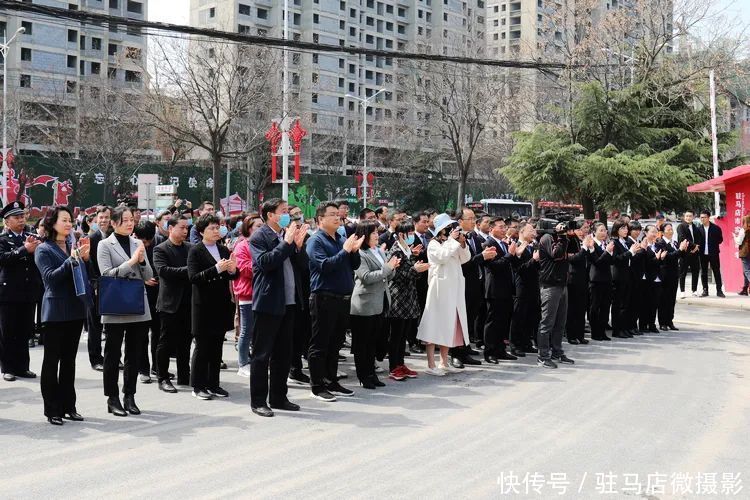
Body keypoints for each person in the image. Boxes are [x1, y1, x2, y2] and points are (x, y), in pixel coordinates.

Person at [249, 199, 308, 416]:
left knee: (284, 354)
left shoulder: (285, 235)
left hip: (289, 302)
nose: (288, 216)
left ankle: (279, 397)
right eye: (283, 212)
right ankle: (258, 401)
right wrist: (287, 243)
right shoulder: (259, 237)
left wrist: (298, 247)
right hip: (268, 303)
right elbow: (265, 263)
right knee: (262, 354)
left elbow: (302, 265)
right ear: (270, 215)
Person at [34, 206, 91, 425]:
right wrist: (71, 260)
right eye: (65, 220)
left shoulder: (71, 245)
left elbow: (83, 276)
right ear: (52, 223)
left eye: (70, 220)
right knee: (51, 361)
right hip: (55, 311)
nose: (69, 224)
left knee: (69, 361)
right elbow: (50, 279)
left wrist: (84, 260)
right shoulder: (44, 249)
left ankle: (69, 406)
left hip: (75, 310)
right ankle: (52, 409)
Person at [98, 205, 154, 416]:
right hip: (115, 304)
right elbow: (106, 274)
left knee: (134, 353)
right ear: (114, 223)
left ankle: (129, 395)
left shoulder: (138, 242)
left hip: (137, 303)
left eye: (132, 220)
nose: (130, 223)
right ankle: (112, 398)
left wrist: (141, 261)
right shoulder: (105, 244)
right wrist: (131, 262)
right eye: (125, 220)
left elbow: (148, 274)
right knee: (112, 354)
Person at [307, 202, 363, 401]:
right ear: (320, 219)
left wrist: (354, 251)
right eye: (331, 214)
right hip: (324, 297)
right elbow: (325, 266)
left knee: (335, 343)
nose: (337, 217)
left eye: (337, 214)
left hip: (343, 298)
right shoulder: (316, 241)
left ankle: (331, 380)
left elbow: (354, 265)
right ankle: (317, 385)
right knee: (320, 343)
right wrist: (345, 251)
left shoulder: (340, 238)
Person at [187, 214, 237, 401]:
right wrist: (216, 269)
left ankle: (213, 383)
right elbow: (193, 277)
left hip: (220, 303)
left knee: (217, 346)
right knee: (202, 346)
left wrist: (232, 270)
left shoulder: (223, 249)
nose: (216, 231)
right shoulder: (196, 251)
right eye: (212, 228)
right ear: (201, 232)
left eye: (218, 228)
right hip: (203, 304)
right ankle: (198, 385)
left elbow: (230, 275)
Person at [417, 213, 471, 376]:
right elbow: (441, 257)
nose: (452, 230)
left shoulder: (450, 243)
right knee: (434, 324)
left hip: (453, 289)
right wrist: (452, 241)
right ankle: (431, 364)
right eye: (448, 228)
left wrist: (462, 244)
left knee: (449, 324)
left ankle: (444, 361)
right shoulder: (434, 244)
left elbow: (465, 258)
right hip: (439, 289)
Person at [350, 221, 399, 389]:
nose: (377, 236)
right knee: (362, 344)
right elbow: (366, 277)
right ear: (364, 235)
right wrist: (387, 269)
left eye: (377, 232)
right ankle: (363, 376)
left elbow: (387, 276)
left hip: (380, 301)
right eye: (373, 233)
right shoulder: (360, 253)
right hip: (364, 303)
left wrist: (392, 269)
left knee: (373, 342)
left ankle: (372, 374)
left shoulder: (378, 251)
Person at [0, 201, 42, 382]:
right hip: (9, 293)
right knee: (8, 331)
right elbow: (3, 259)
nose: (21, 220)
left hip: (28, 291)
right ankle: (7, 367)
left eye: (22, 216)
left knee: (25, 330)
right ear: (6, 222)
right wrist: (24, 249)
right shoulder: (2, 239)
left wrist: (34, 249)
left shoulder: (32, 237)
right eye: (16, 218)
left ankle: (22, 367)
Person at [152, 214, 193, 393]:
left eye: (187, 228)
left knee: (185, 342)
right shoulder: (160, 249)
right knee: (166, 342)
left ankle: (185, 374)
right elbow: (164, 271)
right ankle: (163, 377)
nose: (185, 231)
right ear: (171, 228)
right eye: (181, 227)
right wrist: (189, 270)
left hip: (189, 301)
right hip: (169, 303)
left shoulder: (191, 248)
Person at [385, 221, 428, 381]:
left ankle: (401, 363)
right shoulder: (396, 250)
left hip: (407, 297)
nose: (412, 237)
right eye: (409, 234)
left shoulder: (406, 250)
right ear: (401, 235)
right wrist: (414, 270)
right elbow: (396, 275)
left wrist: (414, 267)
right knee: (396, 334)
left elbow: (409, 272)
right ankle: (393, 366)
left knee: (403, 334)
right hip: (398, 297)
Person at [449, 207, 487, 368]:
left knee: (470, 317)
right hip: (460, 283)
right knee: (458, 320)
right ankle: (455, 354)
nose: (473, 221)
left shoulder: (475, 238)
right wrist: (481, 257)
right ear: (460, 221)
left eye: (474, 218)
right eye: (470, 218)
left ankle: (465, 349)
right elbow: (462, 263)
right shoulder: (453, 239)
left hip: (474, 283)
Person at [537, 222, 578, 368]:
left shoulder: (561, 238)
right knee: (547, 322)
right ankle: (543, 355)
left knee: (560, 322)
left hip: (562, 284)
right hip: (550, 285)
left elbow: (575, 250)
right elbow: (557, 254)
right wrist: (561, 237)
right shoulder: (547, 237)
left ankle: (557, 351)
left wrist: (571, 236)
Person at [481, 218, 517, 362]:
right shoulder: (489, 243)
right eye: (500, 227)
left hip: (506, 288)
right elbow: (494, 266)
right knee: (493, 322)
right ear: (492, 229)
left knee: (503, 321)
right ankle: (490, 351)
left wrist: (512, 253)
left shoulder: (503, 243)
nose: (504, 229)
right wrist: (509, 254)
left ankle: (500, 349)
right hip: (495, 289)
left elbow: (510, 264)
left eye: (504, 227)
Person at [231, 215, 261, 379]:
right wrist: (264, 264)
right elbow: (244, 269)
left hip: (262, 293)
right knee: (246, 330)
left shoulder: (262, 243)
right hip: (247, 292)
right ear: (249, 229)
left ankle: (255, 360)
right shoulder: (242, 245)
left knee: (259, 330)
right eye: (257, 226)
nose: (261, 228)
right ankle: (243, 363)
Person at [133, 220, 160, 384]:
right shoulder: (130, 247)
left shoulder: (159, 245)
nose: (145, 244)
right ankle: (143, 369)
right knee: (141, 336)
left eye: (148, 241)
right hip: (138, 295)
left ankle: (157, 367)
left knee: (157, 334)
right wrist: (143, 281)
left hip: (157, 296)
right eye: (142, 241)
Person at [509, 222, 541, 356]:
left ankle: (526, 342)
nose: (533, 232)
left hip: (533, 286)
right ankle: (515, 344)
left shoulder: (532, 245)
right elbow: (519, 269)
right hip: (521, 286)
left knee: (531, 316)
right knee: (519, 316)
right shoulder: (516, 245)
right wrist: (533, 260)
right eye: (530, 230)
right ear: (521, 232)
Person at [86, 205, 111, 372]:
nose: (103, 221)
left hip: (112, 287)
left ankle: (112, 358)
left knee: (111, 326)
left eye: (107, 217)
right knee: (95, 326)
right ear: (96, 219)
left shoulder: (114, 236)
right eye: (101, 217)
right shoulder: (91, 238)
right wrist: (95, 283)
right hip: (95, 287)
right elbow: (88, 264)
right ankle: (95, 358)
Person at [610, 220, 642, 339]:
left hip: (627, 275)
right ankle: (617, 329)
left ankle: (624, 328)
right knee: (618, 304)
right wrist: (630, 252)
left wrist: (633, 252)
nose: (625, 231)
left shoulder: (625, 242)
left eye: (626, 228)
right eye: (622, 228)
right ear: (616, 230)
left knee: (625, 304)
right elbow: (616, 259)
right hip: (618, 276)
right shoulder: (614, 242)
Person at [409, 211, 432, 353]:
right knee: (414, 313)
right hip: (415, 280)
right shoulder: (411, 239)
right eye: (423, 222)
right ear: (415, 223)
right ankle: (412, 341)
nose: (426, 224)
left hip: (428, 280)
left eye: (427, 221)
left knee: (424, 311)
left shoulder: (429, 237)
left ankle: (423, 339)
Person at [658, 223, 688, 330]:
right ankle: (662, 322)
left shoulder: (674, 243)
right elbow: (668, 258)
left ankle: (670, 320)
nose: (671, 231)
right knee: (664, 299)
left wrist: (684, 249)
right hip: (665, 274)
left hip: (674, 274)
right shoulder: (661, 243)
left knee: (671, 299)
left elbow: (680, 256)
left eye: (671, 229)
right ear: (662, 232)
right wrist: (679, 250)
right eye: (668, 229)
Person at [588, 222, 615, 341]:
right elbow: (597, 262)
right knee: (595, 307)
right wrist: (607, 252)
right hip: (596, 280)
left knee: (605, 306)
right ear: (594, 232)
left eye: (605, 230)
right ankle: (595, 332)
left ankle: (602, 331)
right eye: (601, 230)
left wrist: (610, 252)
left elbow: (612, 261)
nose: (604, 233)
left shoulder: (606, 244)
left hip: (607, 279)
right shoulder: (591, 244)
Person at [566, 222, 591, 345]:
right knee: (572, 309)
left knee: (582, 308)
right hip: (573, 278)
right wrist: (585, 248)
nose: (583, 231)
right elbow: (572, 259)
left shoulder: (586, 240)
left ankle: (580, 335)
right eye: (580, 229)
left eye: (586, 229)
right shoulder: (571, 241)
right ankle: (571, 335)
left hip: (584, 278)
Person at [639, 225, 667, 333]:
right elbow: (645, 263)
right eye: (652, 232)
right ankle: (643, 325)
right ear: (646, 233)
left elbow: (661, 262)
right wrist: (657, 258)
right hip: (647, 277)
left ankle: (652, 324)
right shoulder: (644, 245)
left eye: (656, 232)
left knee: (655, 303)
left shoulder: (658, 245)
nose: (655, 234)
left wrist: (661, 258)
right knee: (645, 303)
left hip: (658, 277)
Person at [697, 210, 724, 297]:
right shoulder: (698, 229)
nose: (702, 219)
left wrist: (712, 242)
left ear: (708, 218)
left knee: (716, 271)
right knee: (703, 272)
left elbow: (720, 240)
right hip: (702, 254)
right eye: (701, 217)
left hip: (713, 253)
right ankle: (705, 290)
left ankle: (719, 290)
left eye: (704, 217)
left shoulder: (716, 228)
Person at [676, 211, 701, 298]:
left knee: (695, 272)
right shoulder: (681, 226)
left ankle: (694, 290)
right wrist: (693, 246)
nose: (688, 218)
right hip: (685, 253)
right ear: (684, 217)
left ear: (693, 217)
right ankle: (682, 291)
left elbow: (699, 238)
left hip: (695, 253)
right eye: (686, 216)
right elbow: (683, 238)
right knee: (683, 272)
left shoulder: (696, 227)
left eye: (690, 216)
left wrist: (696, 247)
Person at [734, 215, 750, 296]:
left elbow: (739, 242)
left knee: (747, 270)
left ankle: (745, 289)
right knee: (745, 271)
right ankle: (745, 289)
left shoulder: (743, 229)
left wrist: (734, 236)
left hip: (745, 252)